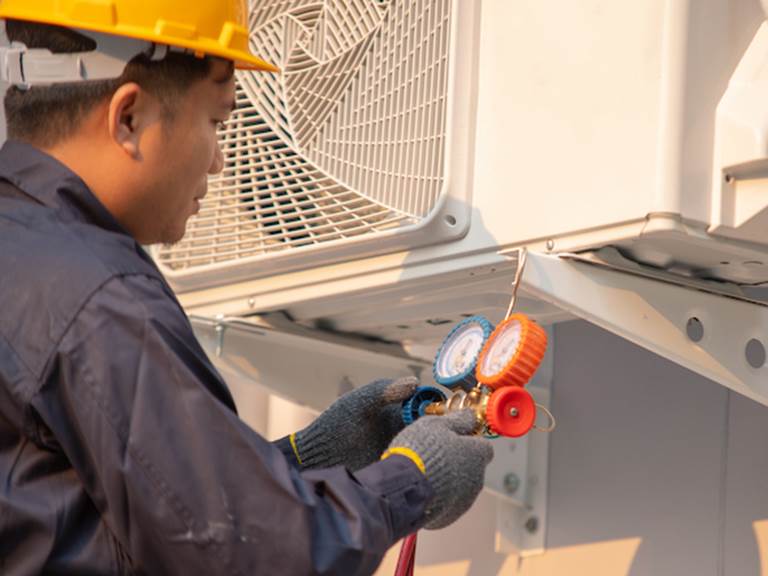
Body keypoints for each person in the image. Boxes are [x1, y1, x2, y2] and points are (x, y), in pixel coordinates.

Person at [0, 2, 494, 574]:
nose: (217, 162)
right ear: (128, 118)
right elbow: (250, 556)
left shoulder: (26, 259)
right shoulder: (96, 295)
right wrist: (412, 481)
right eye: (216, 122)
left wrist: (303, 462)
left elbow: (107, 521)